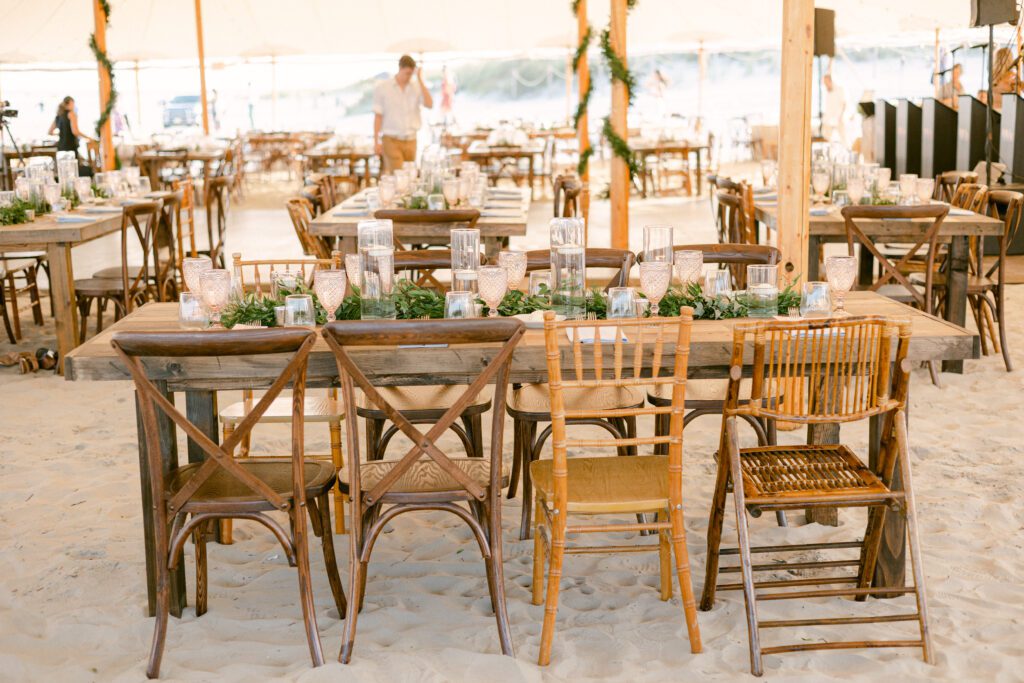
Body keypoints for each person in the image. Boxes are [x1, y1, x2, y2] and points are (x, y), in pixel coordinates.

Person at [373, 54, 433, 172]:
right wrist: (376, 142)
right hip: (391, 140)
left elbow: (429, 104)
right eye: (407, 73)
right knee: (398, 175)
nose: (409, 77)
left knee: (410, 175)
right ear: (400, 68)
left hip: (411, 139)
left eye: (411, 74)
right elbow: (378, 116)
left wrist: (420, 80)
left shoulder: (416, 86)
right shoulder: (383, 88)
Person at [47, 96, 95, 175]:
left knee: (63, 173)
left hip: (61, 148)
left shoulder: (58, 116)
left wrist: (61, 133)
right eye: (73, 104)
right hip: (70, 147)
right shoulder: (71, 114)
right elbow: (75, 131)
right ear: (70, 103)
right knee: (73, 172)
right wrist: (89, 138)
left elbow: (49, 132)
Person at [821, 73, 846, 145]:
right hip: (829, 119)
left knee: (843, 138)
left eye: (826, 83)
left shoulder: (839, 89)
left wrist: (841, 116)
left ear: (830, 81)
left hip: (839, 118)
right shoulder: (827, 91)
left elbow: (844, 104)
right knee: (827, 138)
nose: (825, 85)